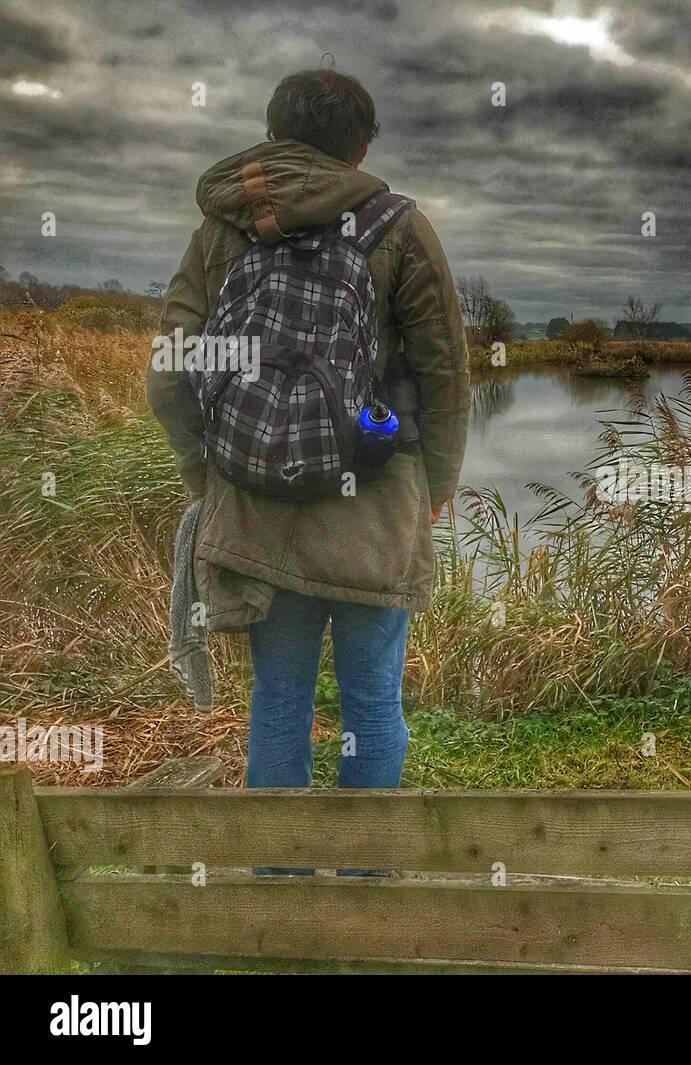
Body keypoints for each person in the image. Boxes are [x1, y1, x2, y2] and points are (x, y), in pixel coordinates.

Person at [148, 68, 469, 797]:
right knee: (373, 705)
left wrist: (209, 476)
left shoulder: (223, 228)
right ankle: (361, 888)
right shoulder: (402, 227)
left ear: (274, 136)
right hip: (376, 507)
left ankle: (278, 887)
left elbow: (170, 372)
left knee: (280, 703)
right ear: (360, 152)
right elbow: (445, 377)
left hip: (259, 512)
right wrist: (435, 490)